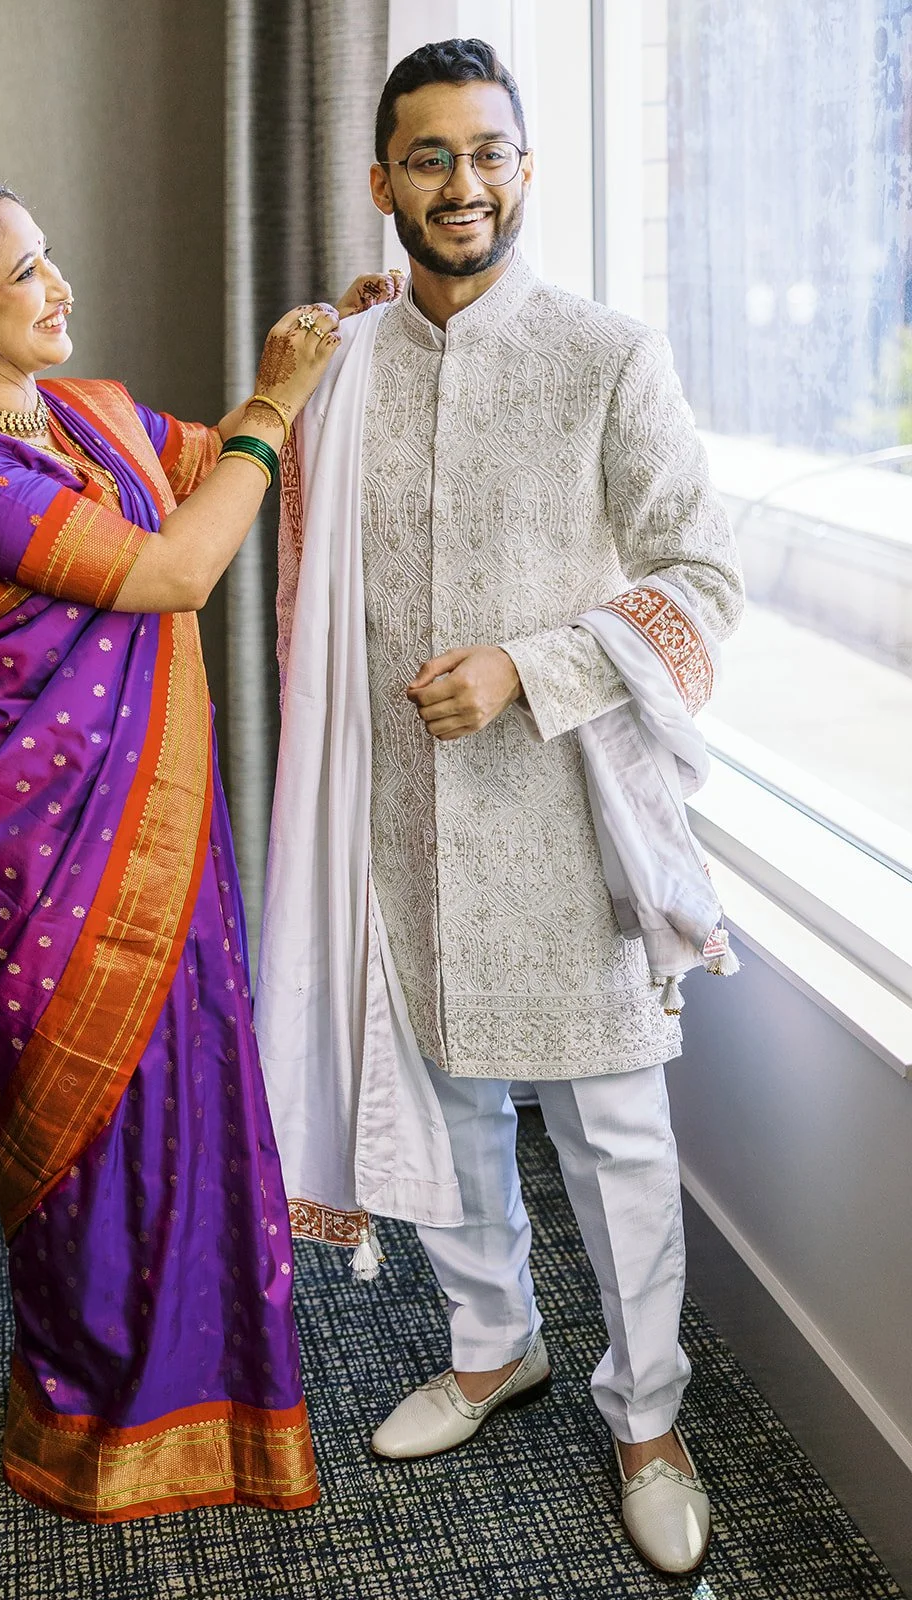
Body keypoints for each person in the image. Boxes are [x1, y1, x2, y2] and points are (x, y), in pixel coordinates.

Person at [256, 40, 744, 1576]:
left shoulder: (608, 354)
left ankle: (649, 1421)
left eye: (489, 153)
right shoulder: (338, 365)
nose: (462, 184)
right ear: (382, 176)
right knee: (446, 1098)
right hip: (394, 811)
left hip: (562, 814)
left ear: (526, 167)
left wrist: (534, 669)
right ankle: (493, 1346)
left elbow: (706, 585)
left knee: (615, 1133)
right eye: (428, 156)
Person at [0, 166, 393, 1524]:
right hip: (46, 854)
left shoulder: (84, 416)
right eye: (24, 273)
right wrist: (274, 409)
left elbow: (219, 461)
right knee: (96, 1132)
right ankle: (101, 1419)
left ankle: (213, 1388)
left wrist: (329, 343)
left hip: (153, 824)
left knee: (188, 1096)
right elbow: (174, 569)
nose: (60, 288)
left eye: (51, 257)